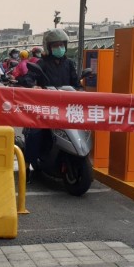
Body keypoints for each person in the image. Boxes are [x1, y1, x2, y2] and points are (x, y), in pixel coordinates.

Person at [22, 29, 81, 177]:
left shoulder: (69, 64)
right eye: (56, 45)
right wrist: (33, 85)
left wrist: (80, 89)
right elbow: (29, 77)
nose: (59, 48)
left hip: (66, 107)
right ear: (48, 47)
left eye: (62, 45)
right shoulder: (42, 63)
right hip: (45, 107)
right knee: (35, 132)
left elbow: (76, 83)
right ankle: (27, 165)